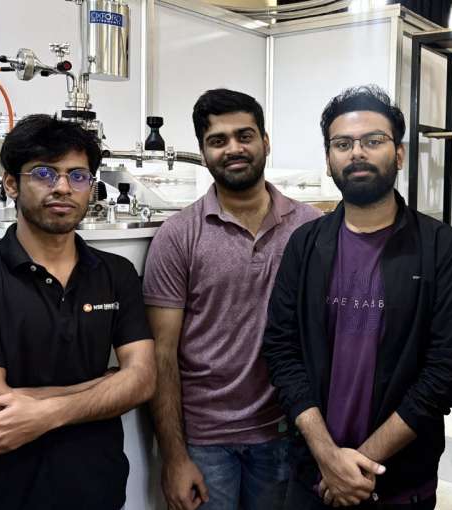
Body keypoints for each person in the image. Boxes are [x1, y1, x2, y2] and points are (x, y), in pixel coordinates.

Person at [262, 85, 452, 509]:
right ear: (328, 161)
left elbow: (447, 370)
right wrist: (328, 458)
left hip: (399, 481)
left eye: (373, 141)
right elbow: (281, 350)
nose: (356, 153)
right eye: (342, 144)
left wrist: (358, 464)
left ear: (398, 155)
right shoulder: (305, 245)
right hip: (313, 476)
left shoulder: (440, 248)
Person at [0, 114, 156, 510]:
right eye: (44, 173)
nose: (63, 188)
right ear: (10, 184)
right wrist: (104, 384)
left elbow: (143, 381)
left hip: (99, 492)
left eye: (78, 176)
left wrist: (43, 412)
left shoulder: (116, 274)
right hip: (2, 498)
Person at [143, 88, 321, 510]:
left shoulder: (310, 227)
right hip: (206, 442)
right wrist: (174, 456)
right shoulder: (179, 236)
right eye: (218, 140)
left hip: (285, 430)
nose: (233, 149)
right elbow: (162, 355)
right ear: (203, 152)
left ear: (265, 141)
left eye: (245, 135)